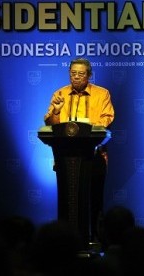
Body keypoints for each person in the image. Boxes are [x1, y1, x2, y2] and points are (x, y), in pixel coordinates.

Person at [43, 57, 115, 244]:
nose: (76, 77)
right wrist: (57, 111)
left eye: (81, 74)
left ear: (89, 75)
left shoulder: (102, 94)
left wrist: (87, 129)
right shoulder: (60, 94)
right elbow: (50, 123)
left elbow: (107, 118)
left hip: (94, 155)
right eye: (73, 73)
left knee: (94, 199)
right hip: (65, 156)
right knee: (67, 199)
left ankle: (95, 239)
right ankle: (65, 241)